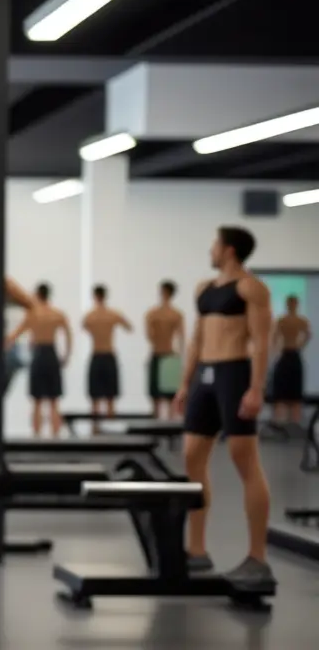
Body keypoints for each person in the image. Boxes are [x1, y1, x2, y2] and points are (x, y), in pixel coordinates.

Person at [175, 226, 274, 589]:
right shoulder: (204, 288)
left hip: (235, 374)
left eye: (215, 244)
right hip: (205, 376)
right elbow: (195, 339)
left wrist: (256, 388)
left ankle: (257, 558)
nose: (211, 249)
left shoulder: (251, 288)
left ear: (229, 250)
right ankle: (196, 550)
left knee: (243, 460)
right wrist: (186, 383)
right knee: (191, 457)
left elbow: (263, 341)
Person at [6, 283, 72, 438]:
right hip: (52, 354)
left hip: (38, 355)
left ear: (37, 295)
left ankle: (37, 436)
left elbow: (14, 335)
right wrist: (66, 355)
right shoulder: (58, 314)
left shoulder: (33, 314)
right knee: (54, 400)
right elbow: (68, 336)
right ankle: (56, 437)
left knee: (37, 401)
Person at [82, 284, 131, 429]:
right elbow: (128, 327)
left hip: (97, 355)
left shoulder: (89, 316)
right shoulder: (113, 314)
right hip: (109, 355)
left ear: (94, 296)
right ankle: (109, 429)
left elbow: (84, 327)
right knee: (110, 398)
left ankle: (95, 429)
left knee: (95, 398)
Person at [145, 280, 185, 419]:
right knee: (159, 396)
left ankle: (168, 427)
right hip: (166, 355)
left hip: (164, 355)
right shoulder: (174, 314)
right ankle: (162, 426)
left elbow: (150, 336)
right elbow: (181, 339)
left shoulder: (153, 314)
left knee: (167, 397)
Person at [270, 294, 310, 425]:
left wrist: (299, 345)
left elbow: (307, 335)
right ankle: (280, 423)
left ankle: (294, 424)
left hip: (292, 355)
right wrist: (277, 350)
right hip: (286, 355)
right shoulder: (282, 320)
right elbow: (274, 338)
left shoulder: (300, 321)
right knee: (280, 393)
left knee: (295, 394)